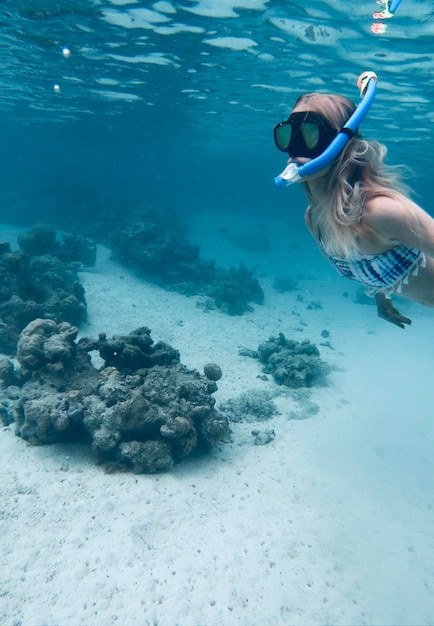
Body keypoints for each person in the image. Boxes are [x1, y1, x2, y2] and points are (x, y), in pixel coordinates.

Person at [273, 92, 434, 328]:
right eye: (288, 133)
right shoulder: (314, 219)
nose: (296, 147)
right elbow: (363, 257)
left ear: (341, 143)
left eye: (311, 133)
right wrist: (382, 294)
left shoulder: (378, 210)